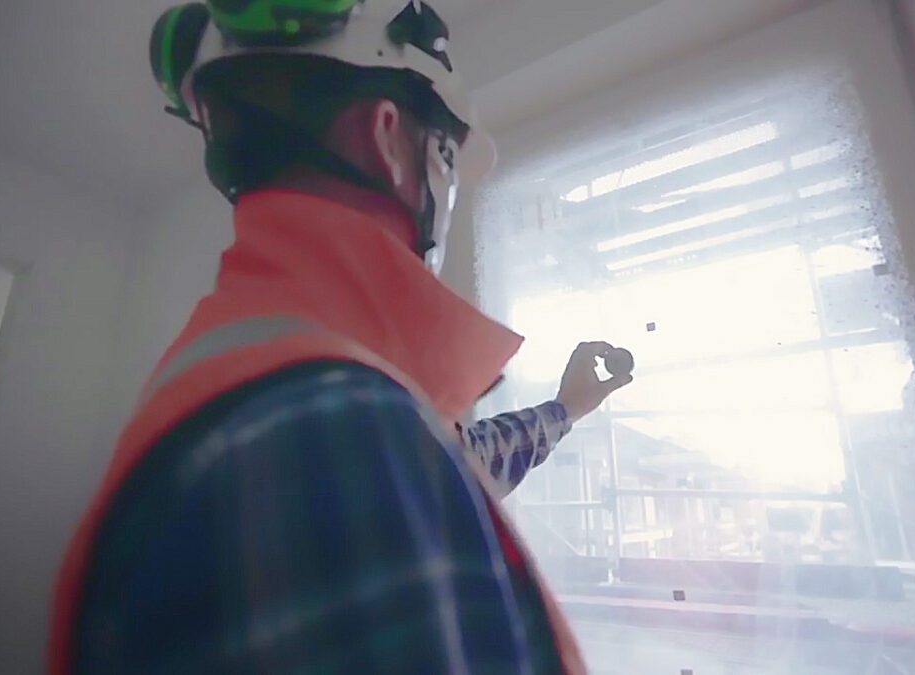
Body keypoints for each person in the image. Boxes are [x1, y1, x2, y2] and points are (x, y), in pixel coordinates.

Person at [49, 2, 631, 673]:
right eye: (445, 157)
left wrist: (568, 406)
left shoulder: (278, 371)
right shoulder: (324, 421)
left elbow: (458, 464)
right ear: (389, 137)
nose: (450, 193)